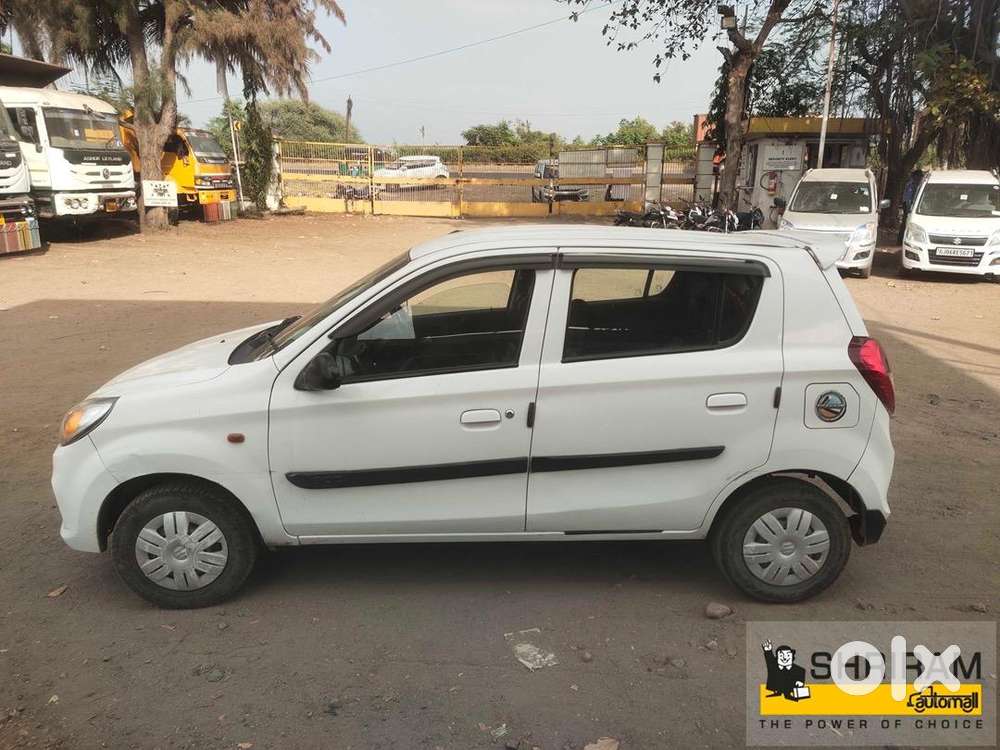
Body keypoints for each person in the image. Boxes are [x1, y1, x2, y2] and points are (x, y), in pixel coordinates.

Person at [898, 169, 924, 244]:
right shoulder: (911, 184)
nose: (920, 178)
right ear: (916, 176)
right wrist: (910, 210)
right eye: (920, 176)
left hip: (911, 206)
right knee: (906, 223)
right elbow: (908, 198)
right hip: (908, 206)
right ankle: (901, 241)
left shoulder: (916, 184)